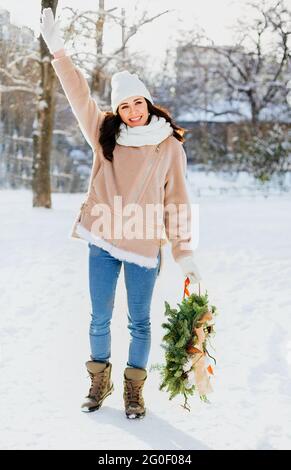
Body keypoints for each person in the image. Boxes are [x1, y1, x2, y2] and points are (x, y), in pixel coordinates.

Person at [40, 8, 202, 419]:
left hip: (145, 244)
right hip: (104, 240)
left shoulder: (169, 146)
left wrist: (185, 254)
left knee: (140, 323)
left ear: (147, 101)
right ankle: (99, 379)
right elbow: (79, 95)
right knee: (99, 317)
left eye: (137, 102)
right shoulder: (105, 135)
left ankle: (134, 389)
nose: (132, 110)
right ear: (118, 109)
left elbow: (178, 200)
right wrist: (59, 52)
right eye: (124, 105)